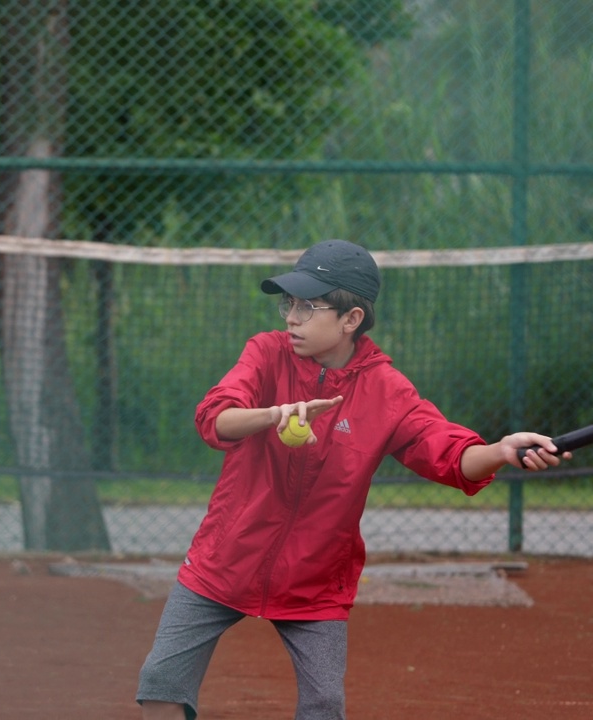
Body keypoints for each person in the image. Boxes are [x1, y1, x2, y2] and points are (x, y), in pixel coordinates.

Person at [136, 239, 571, 720]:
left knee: (324, 705)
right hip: (224, 560)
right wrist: (275, 414)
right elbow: (215, 419)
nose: (292, 318)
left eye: (308, 306)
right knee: (160, 685)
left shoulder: (386, 391)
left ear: (351, 319)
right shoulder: (265, 354)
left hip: (315, 581)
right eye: (289, 303)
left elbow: (447, 454)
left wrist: (498, 452)